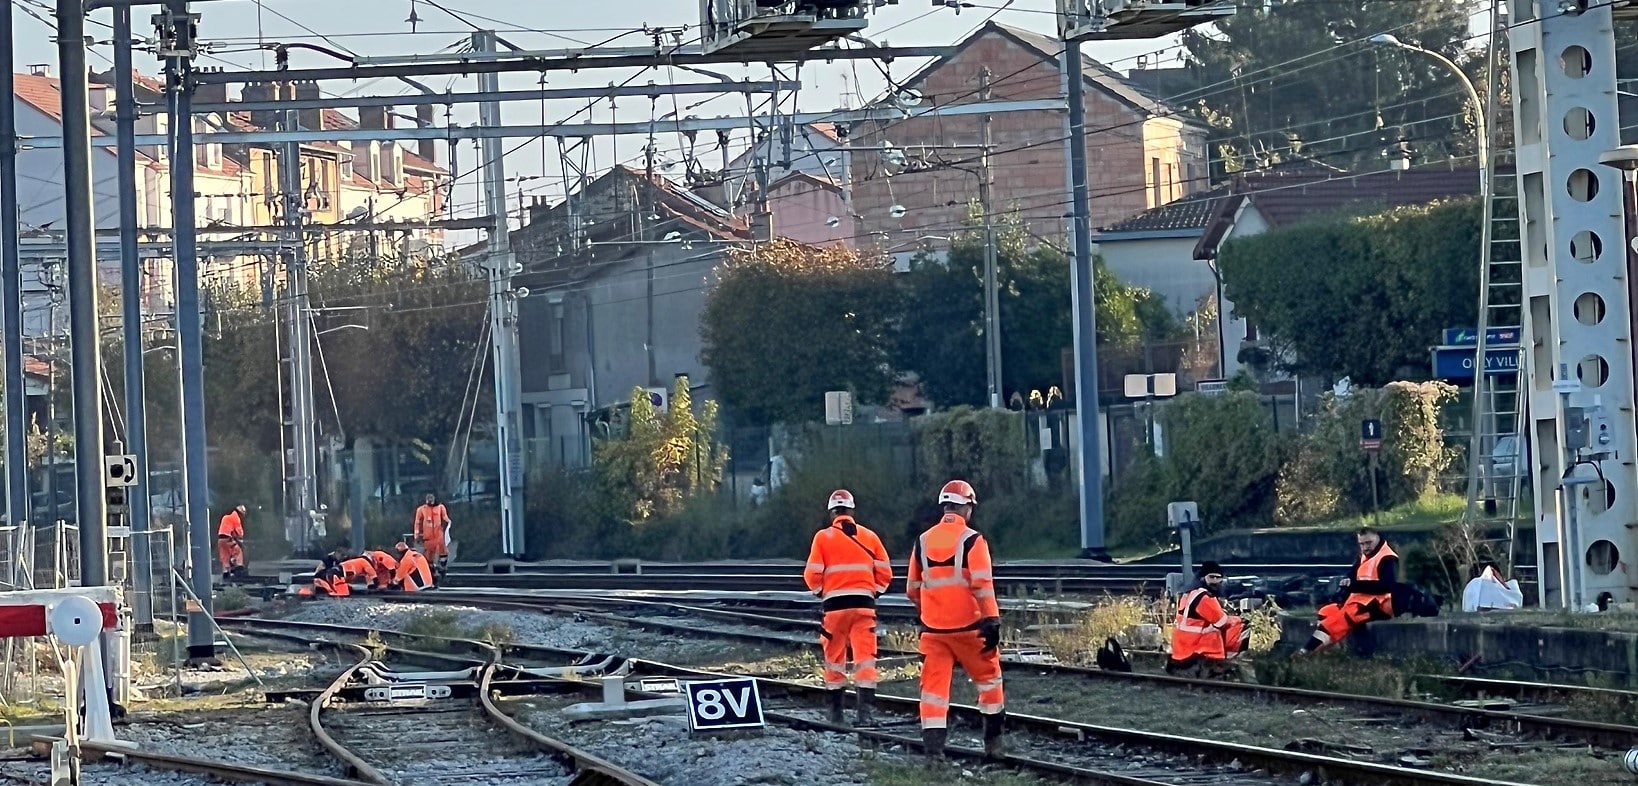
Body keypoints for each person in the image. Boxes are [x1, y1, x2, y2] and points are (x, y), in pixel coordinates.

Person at [907, 479, 1004, 761]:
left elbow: (912, 589)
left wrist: (931, 610)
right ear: (968, 508)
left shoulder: (922, 541)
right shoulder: (973, 540)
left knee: (933, 693)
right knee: (989, 681)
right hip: (970, 629)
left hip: (934, 632)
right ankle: (993, 745)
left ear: (945, 507)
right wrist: (992, 620)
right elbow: (983, 585)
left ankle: (934, 754)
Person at [803, 489, 891, 726]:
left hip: (834, 608)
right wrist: (874, 592)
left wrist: (822, 592)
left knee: (834, 660)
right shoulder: (870, 537)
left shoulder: (823, 537)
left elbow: (812, 574)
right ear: (851, 511)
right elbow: (885, 572)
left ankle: (836, 715)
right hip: (864, 607)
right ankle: (866, 715)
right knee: (865, 660)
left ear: (832, 513)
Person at [1302, 527, 1399, 654]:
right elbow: (1352, 578)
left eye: (1368, 543)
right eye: (1362, 544)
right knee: (1326, 611)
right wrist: (1343, 592)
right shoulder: (1364, 557)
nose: (1365, 547)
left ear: (1378, 538)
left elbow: (1387, 586)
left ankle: (1307, 651)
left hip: (1379, 605)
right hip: (1359, 602)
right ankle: (1329, 649)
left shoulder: (1388, 558)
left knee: (1340, 619)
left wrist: (1355, 585)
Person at [1167, 561, 1248, 676]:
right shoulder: (1205, 598)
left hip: (1182, 649)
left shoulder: (1189, 594)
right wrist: (1238, 619)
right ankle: (1227, 663)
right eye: (1212, 577)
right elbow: (1222, 622)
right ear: (1203, 578)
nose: (1215, 581)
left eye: (1218, 578)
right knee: (1241, 626)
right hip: (1200, 651)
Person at [413, 493, 452, 586]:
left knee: (443, 553)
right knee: (429, 557)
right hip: (428, 537)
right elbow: (417, 522)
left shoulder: (440, 507)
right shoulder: (421, 509)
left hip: (439, 535)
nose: (430, 501)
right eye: (428, 500)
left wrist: (448, 522)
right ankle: (432, 575)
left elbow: (445, 517)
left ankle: (443, 571)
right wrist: (416, 535)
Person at [216, 504, 248, 581]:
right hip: (228, 539)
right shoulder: (236, 518)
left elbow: (227, 529)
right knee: (238, 552)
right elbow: (239, 532)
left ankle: (226, 574)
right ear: (240, 513)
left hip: (221, 540)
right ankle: (239, 570)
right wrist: (240, 538)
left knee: (225, 557)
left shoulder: (225, 517)